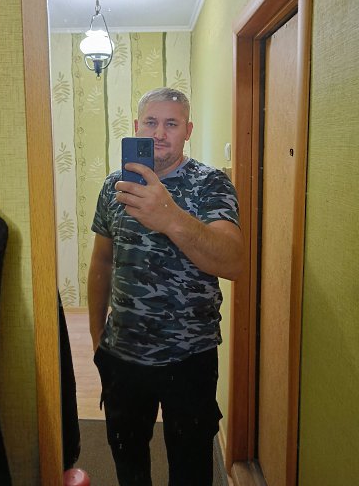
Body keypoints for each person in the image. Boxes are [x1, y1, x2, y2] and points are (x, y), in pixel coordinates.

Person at [88, 87, 243, 486]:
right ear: (137, 127)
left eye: (171, 124)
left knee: (191, 468)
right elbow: (102, 261)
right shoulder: (115, 186)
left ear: (187, 130)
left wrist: (169, 215)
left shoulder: (211, 184)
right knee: (128, 462)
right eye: (151, 122)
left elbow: (233, 262)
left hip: (190, 355)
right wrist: (96, 336)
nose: (159, 133)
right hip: (123, 354)